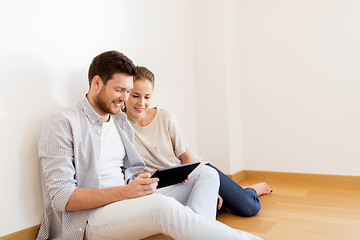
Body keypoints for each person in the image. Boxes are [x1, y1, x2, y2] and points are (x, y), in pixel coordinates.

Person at [37, 50, 263, 240]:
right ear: (97, 83)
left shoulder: (119, 121)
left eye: (128, 91)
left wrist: (147, 180)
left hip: (128, 201)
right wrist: (126, 192)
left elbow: (131, 173)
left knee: (206, 174)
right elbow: (61, 197)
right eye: (119, 90)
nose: (125, 98)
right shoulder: (63, 123)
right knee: (162, 208)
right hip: (90, 218)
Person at [123, 66, 272, 218]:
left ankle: (250, 190)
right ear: (126, 93)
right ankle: (228, 196)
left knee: (249, 207)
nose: (141, 102)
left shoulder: (165, 117)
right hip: (165, 186)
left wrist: (205, 186)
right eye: (136, 96)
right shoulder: (119, 127)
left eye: (147, 97)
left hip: (194, 172)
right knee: (202, 216)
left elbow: (185, 156)